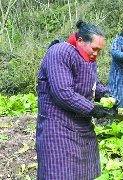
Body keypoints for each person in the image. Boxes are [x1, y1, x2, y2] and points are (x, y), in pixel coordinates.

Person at [36, 20, 116, 179]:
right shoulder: (59, 52)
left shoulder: (89, 58)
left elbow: (93, 83)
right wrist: (93, 109)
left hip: (81, 125)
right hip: (58, 126)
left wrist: (106, 95)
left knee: (85, 172)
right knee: (59, 172)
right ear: (80, 41)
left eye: (100, 51)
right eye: (94, 49)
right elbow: (63, 93)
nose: (96, 54)